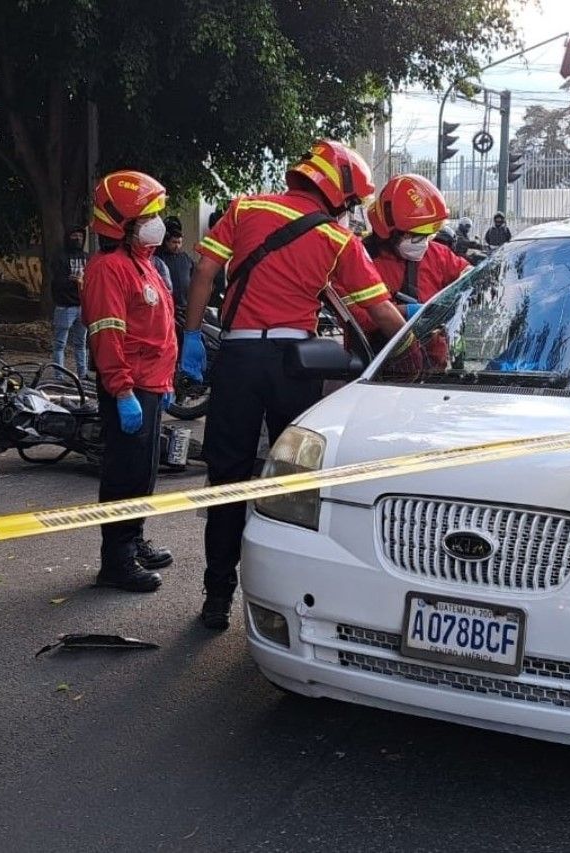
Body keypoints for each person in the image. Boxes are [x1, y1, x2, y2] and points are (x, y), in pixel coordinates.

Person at [181, 139, 407, 631]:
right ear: (336, 193)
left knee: (226, 481)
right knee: (294, 488)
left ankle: (216, 597)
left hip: (238, 359)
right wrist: (420, 349)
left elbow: (204, 270)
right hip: (295, 367)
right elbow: (380, 311)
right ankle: (290, 605)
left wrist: (192, 334)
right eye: (349, 203)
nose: (349, 212)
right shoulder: (337, 241)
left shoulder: (245, 208)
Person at [81, 170, 179, 591]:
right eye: (149, 215)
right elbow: (107, 335)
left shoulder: (143, 263)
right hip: (131, 387)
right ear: (120, 223)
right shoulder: (109, 269)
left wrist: (168, 378)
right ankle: (116, 560)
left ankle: (133, 538)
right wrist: (122, 390)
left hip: (151, 385)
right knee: (124, 473)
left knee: (144, 472)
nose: (157, 221)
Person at [357, 174, 468, 344]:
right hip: (378, 364)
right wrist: (404, 311)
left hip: (434, 363)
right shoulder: (362, 259)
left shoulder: (437, 254)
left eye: (427, 236)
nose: (423, 243)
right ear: (392, 231)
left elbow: (467, 274)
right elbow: (359, 318)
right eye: (416, 236)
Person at [51, 226, 89, 377]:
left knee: (81, 343)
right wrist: (75, 282)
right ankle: (59, 375)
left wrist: (80, 281)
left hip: (82, 305)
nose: (78, 239)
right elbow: (57, 281)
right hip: (65, 306)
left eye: (80, 236)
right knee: (60, 343)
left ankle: (83, 373)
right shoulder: (60, 257)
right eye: (74, 235)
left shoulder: (87, 257)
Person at [157, 225, 196, 308]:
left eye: (179, 243)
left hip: (185, 304)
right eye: (174, 242)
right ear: (167, 242)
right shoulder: (159, 259)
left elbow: (194, 276)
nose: (177, 246)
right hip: (169, 304)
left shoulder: (185, 257)